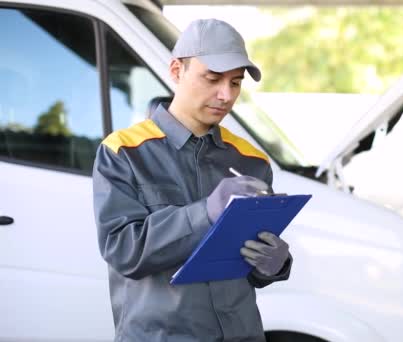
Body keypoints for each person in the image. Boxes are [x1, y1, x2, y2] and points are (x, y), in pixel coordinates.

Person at [92, 18, 292, 342]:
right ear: (176, 71)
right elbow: (123, 250)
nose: (225, 95)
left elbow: (247, 258)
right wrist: (206, 213)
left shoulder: (252, 162)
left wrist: (273, 265)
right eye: (212, 79)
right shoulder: (123, 152)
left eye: (236, 83)